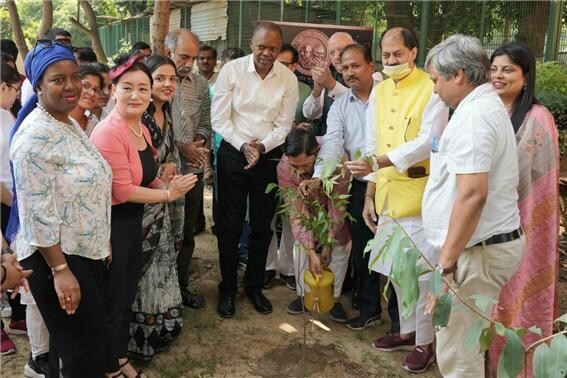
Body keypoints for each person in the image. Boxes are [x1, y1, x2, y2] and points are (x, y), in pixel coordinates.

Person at [345, 27, 449, 374]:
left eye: (397, 55)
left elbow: (425, 141)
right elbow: (373, 142)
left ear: (414, 52)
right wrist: (369, 192)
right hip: (387, 193)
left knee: (422, 275)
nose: (391, 61)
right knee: (398, 273)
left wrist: (380, 163)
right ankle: (406, 331)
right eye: (386, 56)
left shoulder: (431, 88)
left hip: (420, 196)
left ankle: (425, 342)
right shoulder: (380, 90)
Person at [422, 34, 525, 377]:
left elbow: (472, 195)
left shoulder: (474, 117)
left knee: (458, 352)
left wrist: (446, 265)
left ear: (459, 76)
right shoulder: (478, 107)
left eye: (436, 79)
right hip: (479, 248)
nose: (434, 88)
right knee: (461, 343)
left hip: (476, 253)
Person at [8, 40, 111, 378]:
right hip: (57, 256)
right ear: (37, 85)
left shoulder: (65, 123)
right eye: (57, 79)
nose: (71, 86)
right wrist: (61, 271)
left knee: (77, 347)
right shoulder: (34, 139)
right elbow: (37, 214)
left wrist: (100, 241)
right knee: (83, 351)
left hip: (82, 250)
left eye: (75, 76)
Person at [91, 54, 197, 378]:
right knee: (112, 299)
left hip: (132, 222)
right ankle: (108, 367)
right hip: (113, 225)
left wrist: (165, 181)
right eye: (127, 88)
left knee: (125, 296)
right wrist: (168, 194)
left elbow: (144, 176)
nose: (136, 95)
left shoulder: (138, 127)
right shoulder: (109, 132)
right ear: (113, 91)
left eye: (142, 88)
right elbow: (122, 190)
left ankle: (120, 358)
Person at [212, 21, 299, 318]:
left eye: (273, 48)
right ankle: (227, 289)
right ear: (252, 44)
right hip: (233, 153)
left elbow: (284, 125)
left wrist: (261, 147)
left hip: (268, 154)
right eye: (262, 46)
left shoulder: (287, 78)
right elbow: (220, 120)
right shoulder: (231, 71)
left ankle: (253, 286)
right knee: (230, 225)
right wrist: (244, 146)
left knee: (262, 225)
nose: (267, 53)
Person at [300, 44, 384, 331]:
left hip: (393, 182)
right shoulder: (339, 105)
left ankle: (403, 324)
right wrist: (320, 178)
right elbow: (333, 143)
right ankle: (369, 309)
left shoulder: (388, 94)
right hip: (360, 186)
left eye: (355, 66)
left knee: (396, 253)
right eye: (344, 68)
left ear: (371, 66)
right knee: (364, 250)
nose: (349, 72)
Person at [488, 42, 560, 374]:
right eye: (495, 68)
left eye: (508, 69)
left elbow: (531, 180)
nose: (498, 76)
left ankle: (523, 367)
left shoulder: (538, 118)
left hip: (525, 222)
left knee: (521, 295)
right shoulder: (487, 109)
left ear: (525, 75)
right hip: (488, 222)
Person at [128, 55, 185, 361]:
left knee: (162, 268)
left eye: (172, 79)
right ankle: (138, 340)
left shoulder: (167, 113)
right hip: (142, 206)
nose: (167, 84)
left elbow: (167, 157)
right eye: (160, 78)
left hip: (164, 201)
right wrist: (160, 172)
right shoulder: (140, 116)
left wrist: (170, 167)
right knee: (143, 272)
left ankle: (160, 328)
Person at [279, 125, 351, 322]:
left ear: (316, 152)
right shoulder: (284, 167)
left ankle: (333, 298)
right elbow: (297, 214)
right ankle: (304, 295)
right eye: (296, 167)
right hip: (307, 209)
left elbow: (337, 206)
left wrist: (327, 242)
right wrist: (312, 251)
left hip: (331, 208)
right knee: (301, 244)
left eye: (306, 165)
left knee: (341, 245)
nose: (301, 171)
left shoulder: (338, 161)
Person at [165, 29, 211, 309]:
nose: (189, 63)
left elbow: (206, 120)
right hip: (161, 177)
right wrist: (182, 148)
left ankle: (180, 289)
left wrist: (200, 142)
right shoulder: (153, 81)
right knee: (162, 236)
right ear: (168, 51)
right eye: (184, 56)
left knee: (186, 234)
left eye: (193, 58)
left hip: (191, 173)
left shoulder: (200, 85)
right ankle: (161, 293)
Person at [0, 62, 27, 357]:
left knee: (14, 257)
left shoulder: (7, 115)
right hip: (5, 197)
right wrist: (12, 200)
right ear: (3, 87)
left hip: (13, 198)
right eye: (15, 90)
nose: (17, 96)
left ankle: (18, 315)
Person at [302, 32, 353, 135]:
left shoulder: (371, 76)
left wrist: (331, 84)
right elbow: (309, 114)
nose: (337, 56)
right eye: (332, 53)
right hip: (329, 143)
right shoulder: (329, 75)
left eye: (342, 50)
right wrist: (317, 89)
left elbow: (361, 105)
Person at [277, 43, 311, 124]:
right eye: (273, 64)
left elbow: (313, 124)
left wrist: (299, 128)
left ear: (293, 67)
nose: (276, 68)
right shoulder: (261, 86)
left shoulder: (306, 91)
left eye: (282, 65)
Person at [69, 64, 103, 135]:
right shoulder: (58, 120)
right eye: (86, 86)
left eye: (96, 89)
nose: (92, 93)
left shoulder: (94, 124)